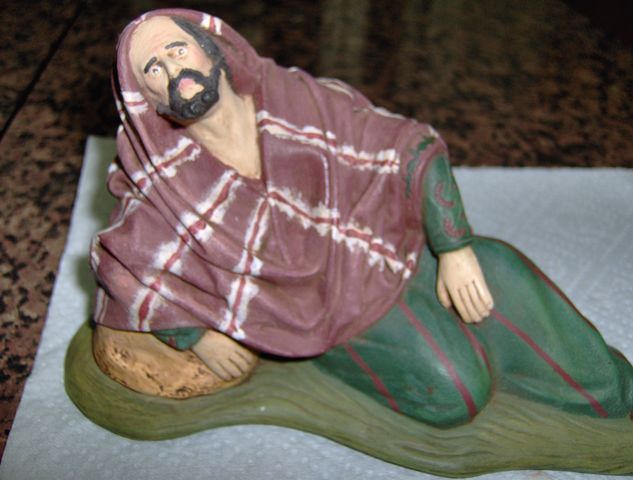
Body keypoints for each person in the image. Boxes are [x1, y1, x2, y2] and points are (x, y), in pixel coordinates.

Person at [91, 9, 632, 427]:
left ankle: (614, 396)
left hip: (395, 243)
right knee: (455, 391)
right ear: (147, 99)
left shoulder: (297, 101)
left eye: (177, 49)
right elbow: (128, 266)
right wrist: (197, 338)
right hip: (322, 316)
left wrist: (454, 247)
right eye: (153, 69)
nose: (174, 70)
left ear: (212, 49)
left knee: (503, 274)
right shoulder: (162, 182)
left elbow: (408, 146)